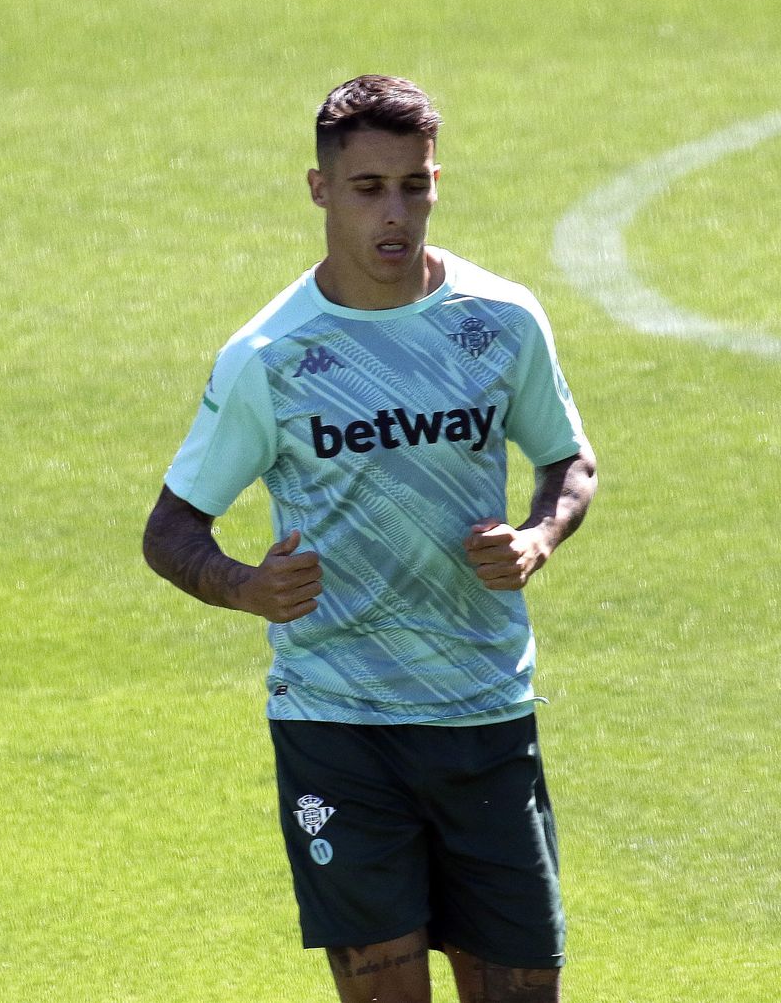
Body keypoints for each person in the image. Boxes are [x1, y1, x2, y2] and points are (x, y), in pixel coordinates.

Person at [143, 75, 598, 1003]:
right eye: (368, 189)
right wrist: (244, 586)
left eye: (415, 185)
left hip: (483, 712)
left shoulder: (500, 320)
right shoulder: (272, 357)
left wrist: (540, 537)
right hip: (339, 724)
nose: (396, 213)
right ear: (319, 190)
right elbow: (172, 527)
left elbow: (569, 460)